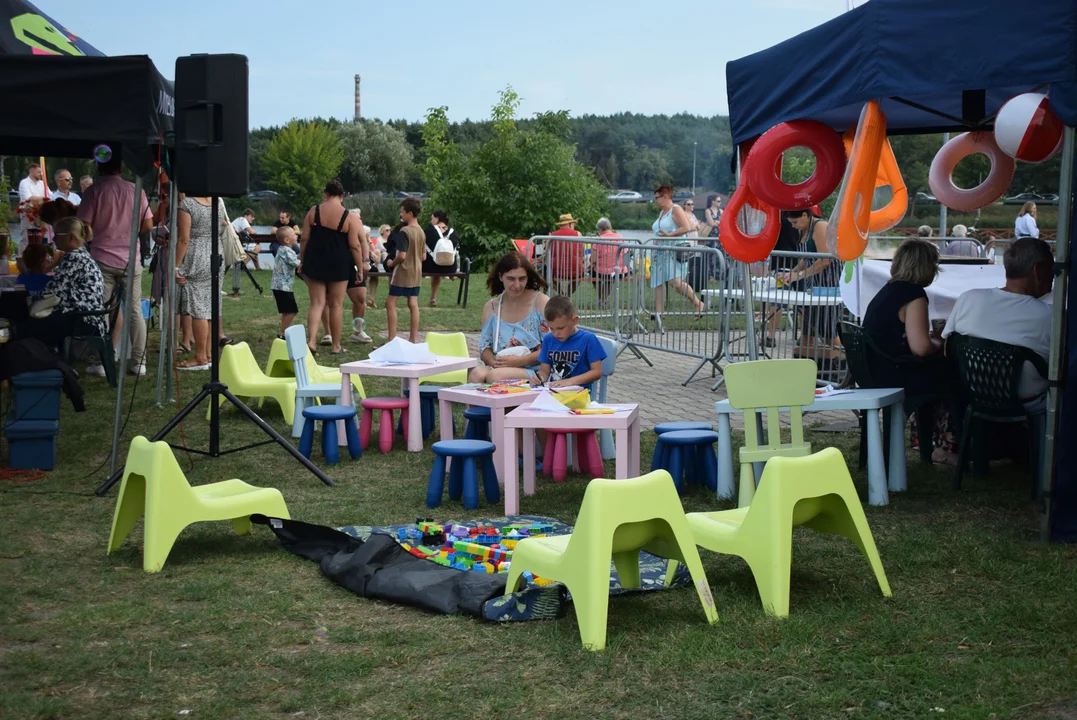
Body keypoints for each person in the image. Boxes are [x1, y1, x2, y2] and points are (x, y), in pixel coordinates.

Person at [861, 238, 956, 463]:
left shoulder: (889, 290)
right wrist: (940, 343)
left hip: (874, 371)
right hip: (896, 373)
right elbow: (921, 348)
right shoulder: (913, 295)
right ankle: (949, 446)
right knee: (955, 380)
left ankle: (928, 442)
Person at [942, 237, 1053, 408]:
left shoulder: (969, 298)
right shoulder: (1050, 316)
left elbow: (946, 346)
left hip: (974, 402)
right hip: (1029, 409)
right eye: (1052, 270)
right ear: (1038, 270)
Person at [76, 152, 153, 376]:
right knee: (135, 310)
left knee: (101, 310)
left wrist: (99, 234)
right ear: (120, 168)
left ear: (100, 169)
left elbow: (83, 226)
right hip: (130, 259)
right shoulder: (135, 189)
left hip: (102, 259)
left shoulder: (94, 191)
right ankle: (139, 362)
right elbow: (148, 225)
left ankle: (101, 361)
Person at [15, 217, 106, 352]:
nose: (54, 240)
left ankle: (37, 361)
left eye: (57, 236)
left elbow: (52, 292)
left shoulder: (73, 258)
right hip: (87, 317)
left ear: (70, 237)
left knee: (23, 328)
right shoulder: (82, 255)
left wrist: (29, 299)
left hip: (81, 319)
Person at [299, 180, 366, 355]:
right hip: (339, 262)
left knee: (317, 303)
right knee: (336, 304)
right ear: (342, 196)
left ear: (325, 194)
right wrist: (359, 267)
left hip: (315, 259)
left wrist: (302, 259)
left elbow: (304, 238)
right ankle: (336, 345)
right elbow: (355, 246)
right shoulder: (349, 216)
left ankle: (311, 341)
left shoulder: (314, 212)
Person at [470, 252, 550, 384]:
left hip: (536, 369)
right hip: (501, 365)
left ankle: (503, 404)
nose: (517, 285)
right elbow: (485, 348)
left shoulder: (541, 302)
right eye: (511, 279)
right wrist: (495, 362)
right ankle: (478, 406)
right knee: (476, 374)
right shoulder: (492, 307)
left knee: (496, 376)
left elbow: (552, 347)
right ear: (501, 277)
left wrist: (520, 361)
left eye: (522, 279)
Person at [175, 195, 232, 370]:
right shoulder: (218, 200)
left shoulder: (188, 204)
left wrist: (175, 266)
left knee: (198, 307)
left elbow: (184, 239)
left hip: (196, 255)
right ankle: (208, 354)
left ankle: (200, 356)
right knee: (210, 305)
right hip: (216, 253)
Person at [778, 208, 842, 361]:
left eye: (794, 222)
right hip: (811, 288)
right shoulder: (804, 230)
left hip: (827, 286)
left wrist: (799, 275)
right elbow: (805, 259)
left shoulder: (820, 226)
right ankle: (805, 370)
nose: (793, 226)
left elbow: (825, 260)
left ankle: (844, 367)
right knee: (807, 332)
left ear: (805, 215)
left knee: (828, 331)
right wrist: (790, 273)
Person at [651, 186, 705, 331]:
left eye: (657, 197)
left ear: (666, 196)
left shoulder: (676, 209)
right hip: (660, 252)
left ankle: (697, 303)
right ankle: (658, 315)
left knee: (675, 282)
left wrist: (670, 235)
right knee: (658, 283)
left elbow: (686, 227)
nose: (655, 201)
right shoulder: (662, 213)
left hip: (674, 250)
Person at [529, 295, 607, 392]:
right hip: (554, 395)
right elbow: (544, 371)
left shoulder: (588, 339)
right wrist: (539, 379)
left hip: (579, 397)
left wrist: (569, 381)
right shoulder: (549, 339)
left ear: (575, 321)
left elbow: (596, 372)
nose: (556, 333)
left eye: (560, 328)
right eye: (551, 328)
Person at [385, 196, 426, 343]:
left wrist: (391, 263)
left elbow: (401, 255)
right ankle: (413, 339)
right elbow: (423, 256)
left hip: (403, 272)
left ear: (409, 213)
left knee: (390, 303)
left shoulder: (404, 231)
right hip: (416, 273)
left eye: (402, 212)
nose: (400, 215)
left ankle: (391, 339)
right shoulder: (421, 231)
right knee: (413, 303)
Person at [345, 209, 373, 343]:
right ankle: (328, 333)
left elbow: (364, 245)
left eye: (360, 219)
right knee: (329, 300)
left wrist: (366, 261)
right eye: (355, 218)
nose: (358, 221)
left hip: (356, 267)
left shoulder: (362, 233)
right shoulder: (340, 230)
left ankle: (358, 331)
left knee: (361, 298)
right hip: (339, 265)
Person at [422, 209, 458, 307]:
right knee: (439, 264)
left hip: (432, 267)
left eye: (432, 218)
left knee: (432, 261)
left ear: (437, 218)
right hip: (451, 267)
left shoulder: (429, 230)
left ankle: (433, 298)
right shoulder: (453, 232)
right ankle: (433, 297)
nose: (431, 221)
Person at [271, 226, 301, 339]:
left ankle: (284, 333)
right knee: (293, 311)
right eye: (294, 234)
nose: (297, 235)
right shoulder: (287, 251)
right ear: (287, 240)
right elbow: (296, 263)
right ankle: (282, 333)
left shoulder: (281, 249)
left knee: (285, 312)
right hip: (283, 287)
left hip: (277, 286)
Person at [547, 213, 585, 296]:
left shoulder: (552, 235)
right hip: (575, 271)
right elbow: (582, 252)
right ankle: (567, 296)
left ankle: (561, 294)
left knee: (549, 275)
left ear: (561, 225)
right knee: (579, 277)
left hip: (555, 270)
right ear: (570, 223)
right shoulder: (578, 234)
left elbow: (547, 252)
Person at [591, 217, 625, 306]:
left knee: (593, 274)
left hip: (602, 271)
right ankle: (602, 300)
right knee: (609, 280)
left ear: (600, 229)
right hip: (619, 270)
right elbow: (624, 254)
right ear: (610, 227)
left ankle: (601, 299)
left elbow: (593, 260)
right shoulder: (620, 238)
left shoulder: (598, 240)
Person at [17, 163, 46, 254]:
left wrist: (44, 198)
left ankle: (36, 261)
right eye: (38, 172)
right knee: (26, 239)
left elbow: (50, 196)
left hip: (40, 214)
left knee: (39, 239)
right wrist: (44, 198)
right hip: (28, 214)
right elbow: (29, 198)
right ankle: (21, 260)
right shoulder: (24, 183)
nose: (41, 174)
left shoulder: (42, 183)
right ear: (32, 171)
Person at [367, 224, 390, 307]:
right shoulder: (379, 239)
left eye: (390, 230)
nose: (389, 232)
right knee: (383, 253)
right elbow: (381, 248)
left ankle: (371, 299)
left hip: (372, 259)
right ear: (382, 231)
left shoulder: (390, 239)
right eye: (387, 230)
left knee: (374, 274)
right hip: (377, 257)